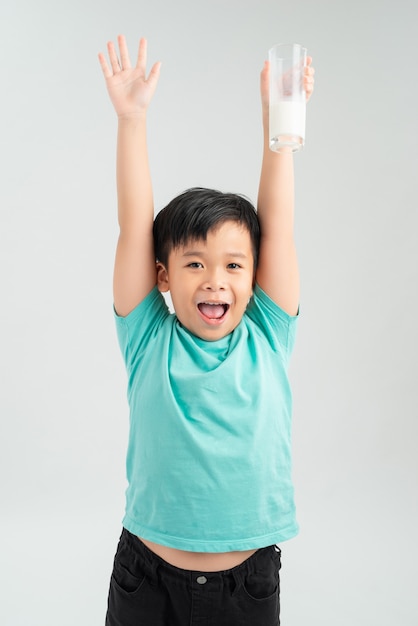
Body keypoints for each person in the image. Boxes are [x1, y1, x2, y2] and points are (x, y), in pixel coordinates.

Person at [98, 34, 314, 626]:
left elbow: (281, 228)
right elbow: (132, 226)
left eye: (233, 266)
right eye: (195, 263)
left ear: (255, 277)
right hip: (146, 576)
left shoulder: (268, 333)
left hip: (247, 584)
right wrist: (132, 119)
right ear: (163, 275)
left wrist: (279, 126)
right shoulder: (147, 338)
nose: (215, 280)